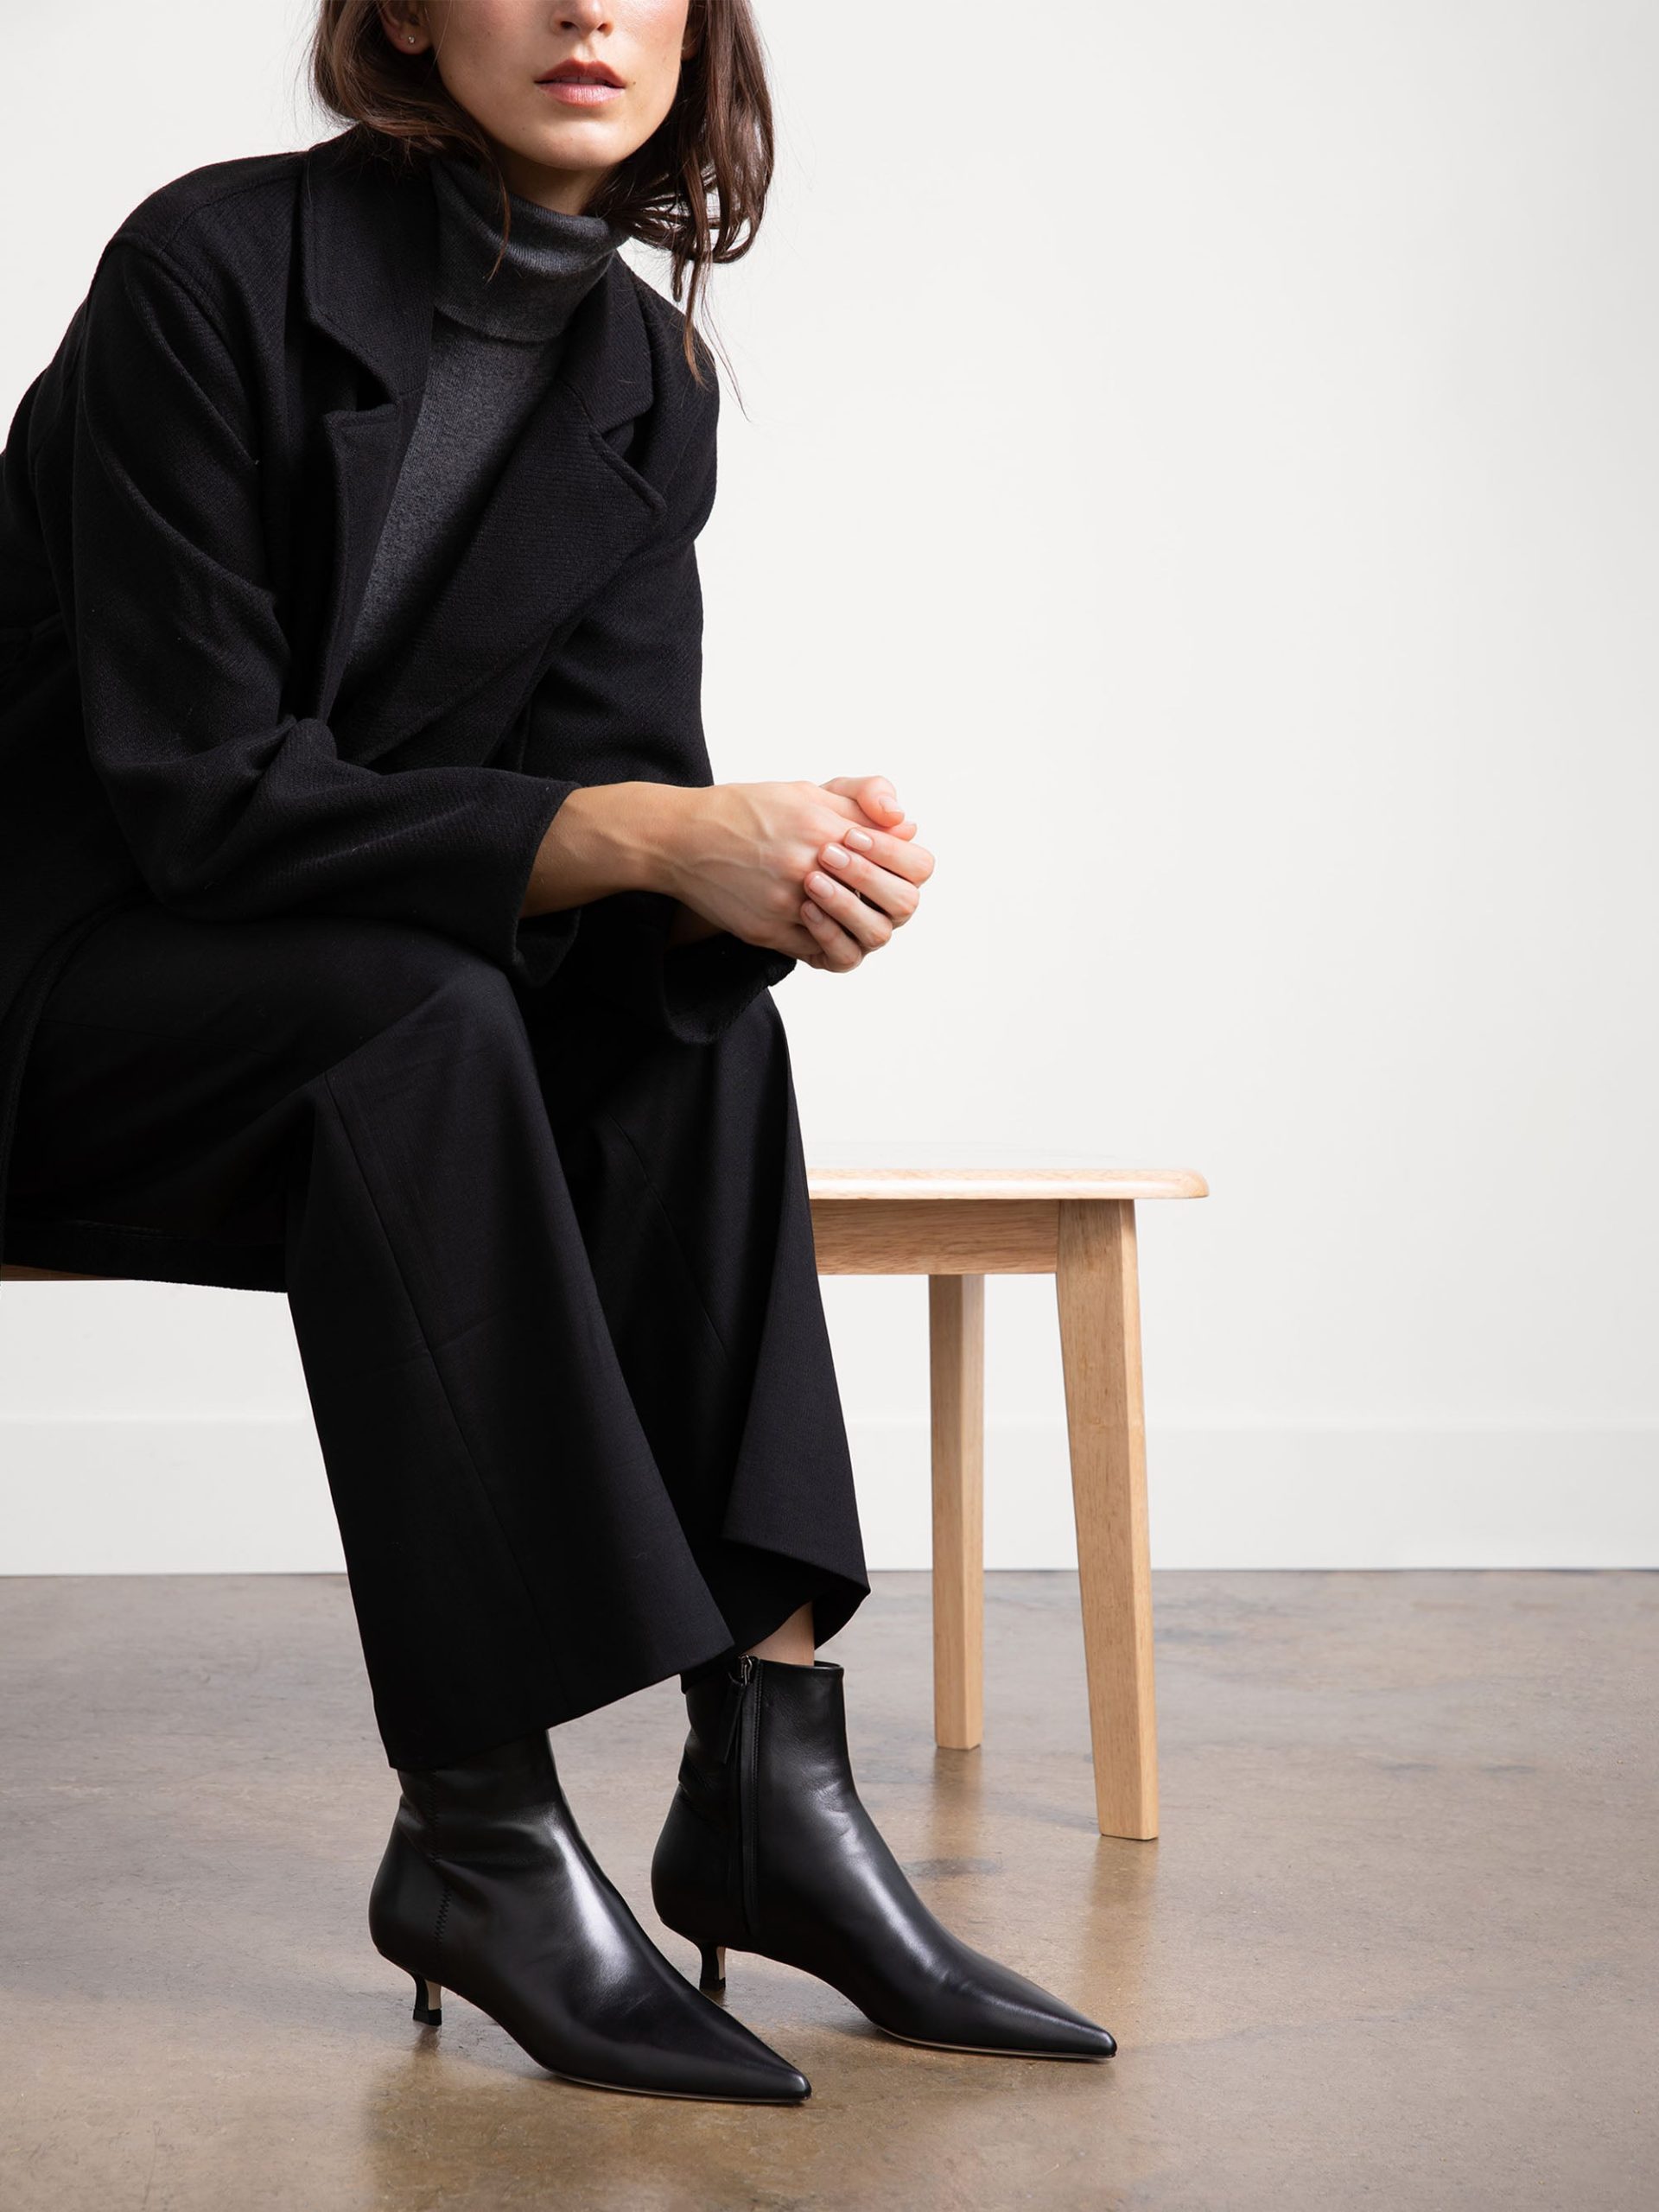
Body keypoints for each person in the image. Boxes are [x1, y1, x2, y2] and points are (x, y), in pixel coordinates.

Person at [0, 0, 1114, 2101]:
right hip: (60, 995)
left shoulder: (643, 380)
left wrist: (760, 886)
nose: (592, 9)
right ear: (407, 14)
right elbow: (197, 797)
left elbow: (607, 825)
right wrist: (655, 840)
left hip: (336, 1054)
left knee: (694, 1032)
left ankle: (773, 1782)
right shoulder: (208, 268)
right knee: (417, 1011)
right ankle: (482, 1827)